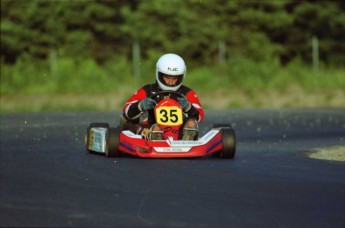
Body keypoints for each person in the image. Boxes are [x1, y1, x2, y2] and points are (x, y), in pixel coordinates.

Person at [120, 53, 204, 140]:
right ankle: (154, 136)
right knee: (133, 125)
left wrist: (189, 108)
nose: (170, 82)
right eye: (167, 77)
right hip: (150, 126)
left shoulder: (186, 93)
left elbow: (200, 115)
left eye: (175, 78)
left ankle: (187, 140)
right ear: (159, 74)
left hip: (179, 131)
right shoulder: (148, 90)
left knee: (191, 124)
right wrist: (140, 106)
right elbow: (126, 110)